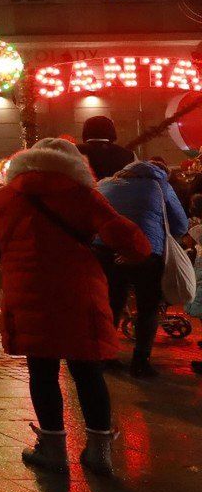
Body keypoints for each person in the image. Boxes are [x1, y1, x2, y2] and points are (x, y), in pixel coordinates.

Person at [0, 138, 150, 474]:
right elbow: (131, 240)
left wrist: (17, 258)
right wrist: (131, 254)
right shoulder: (83, 195)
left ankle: (53, 449)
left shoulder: (4, 196)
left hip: (28, 291)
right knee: (88, 371)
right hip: (79, 293)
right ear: (75, 166)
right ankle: (99, 452)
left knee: (42, 371)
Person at [97, 158, 189, 376]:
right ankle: (140, 363)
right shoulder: (160, 186)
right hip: (145, 252)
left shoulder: (105, 184)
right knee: (148, 307)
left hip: (105, 250)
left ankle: (105, 357)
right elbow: (180, 224)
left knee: (111, 303)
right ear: (161, 173)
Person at [78, 115, 133, 181]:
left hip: (84, 190)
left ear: (85, 131)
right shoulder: (128, 154)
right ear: (111, 131)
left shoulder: (74, 150)